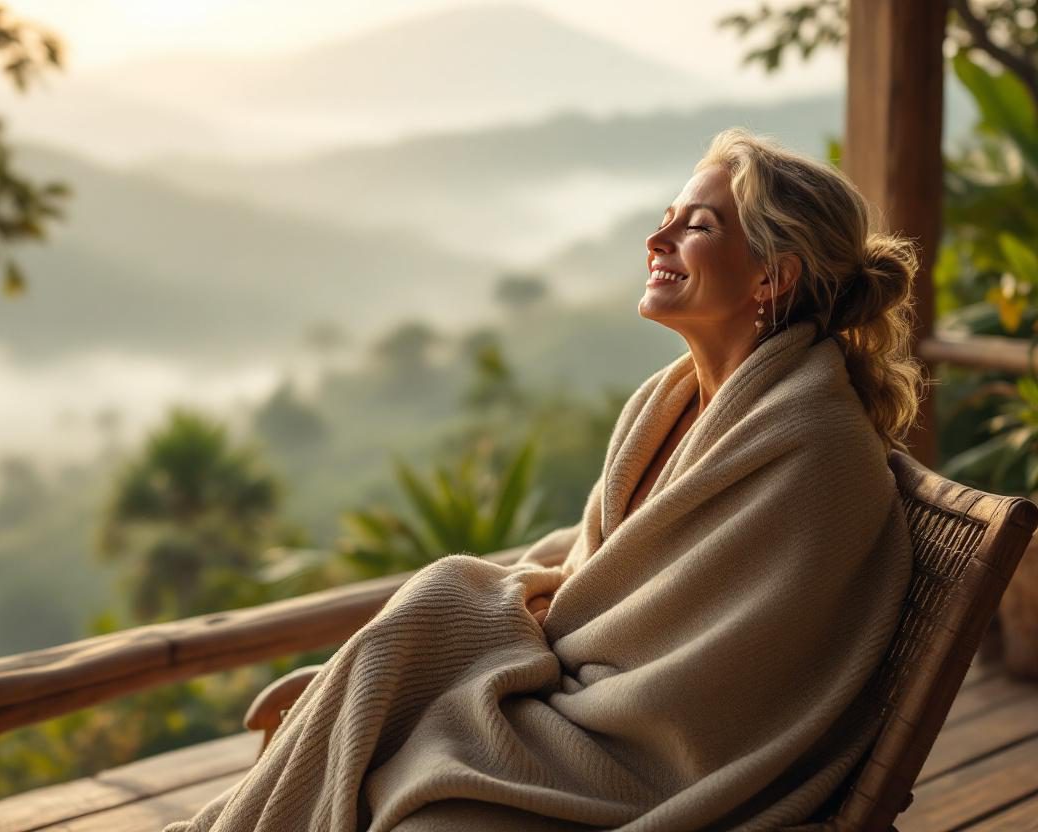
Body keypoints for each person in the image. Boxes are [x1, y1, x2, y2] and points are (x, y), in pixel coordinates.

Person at [163, 127, 923, 832]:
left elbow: (712, 682)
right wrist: (516, 607)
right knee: (429, 619)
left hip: (657, 757)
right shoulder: (670, 401)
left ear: (774, 275)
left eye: (697, 225)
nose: (657, 238)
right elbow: (602, 572)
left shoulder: (810, 446)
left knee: (409, 737)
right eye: (667, 215)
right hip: (583, 704)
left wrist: (519, 627)